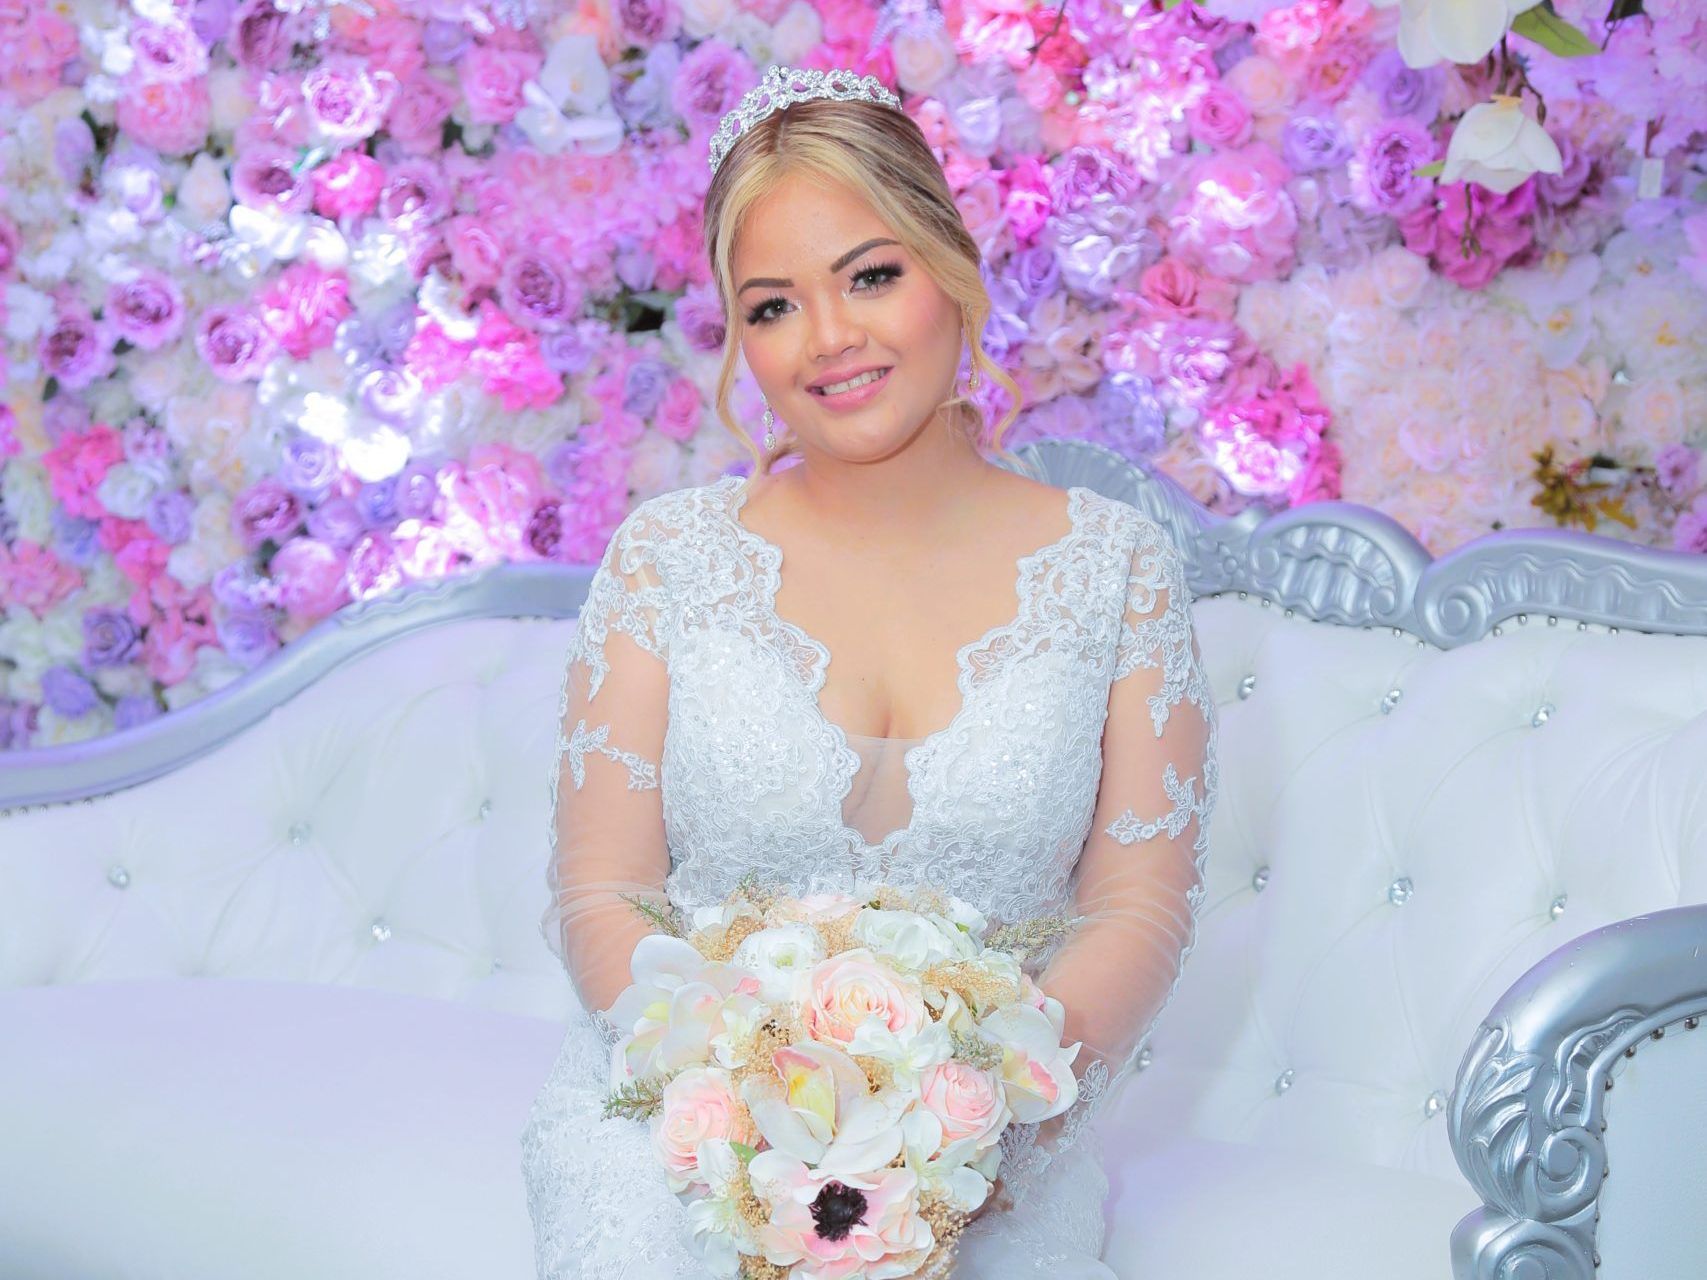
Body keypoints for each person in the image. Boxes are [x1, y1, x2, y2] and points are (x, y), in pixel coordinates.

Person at [520, 65, 1219, 1279]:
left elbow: (1138, 904)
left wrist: (983, 1120)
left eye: (870, 276)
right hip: (683, 1137)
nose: (829, 340)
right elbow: (601, 890)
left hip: (991, 1155)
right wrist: (740, 1106)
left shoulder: (1116, 567)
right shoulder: (669, 561)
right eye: (774, 305)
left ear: (948, 265)